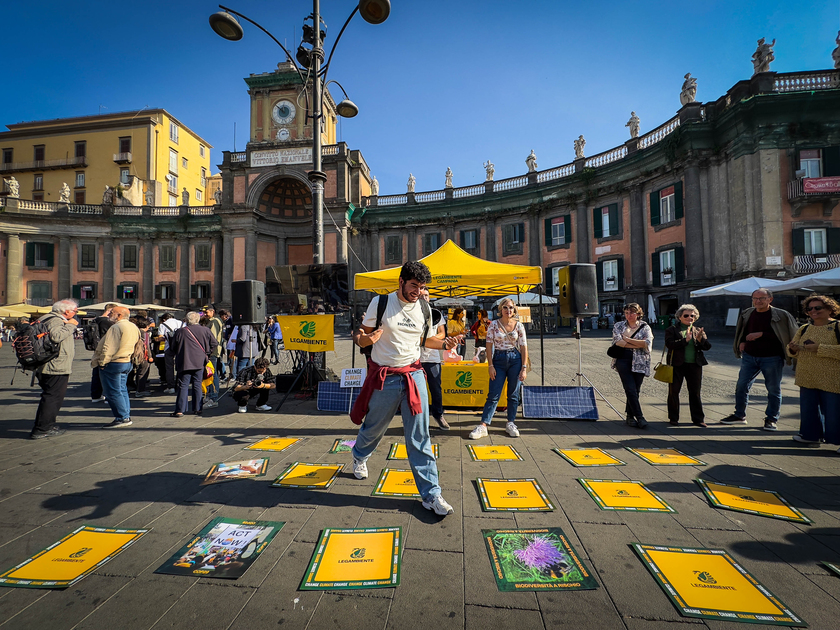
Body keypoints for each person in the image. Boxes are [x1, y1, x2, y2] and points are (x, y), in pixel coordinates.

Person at [350, 261, 461, 517]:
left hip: (413, 375)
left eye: (422, 287)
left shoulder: (424, 307)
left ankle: (431, 495)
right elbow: (360, 334)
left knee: (420, 436)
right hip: (385, 377)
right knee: (374, 427)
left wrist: (444, 344)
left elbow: (424, 340)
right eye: (414, 286)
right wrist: (365, 339)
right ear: (401, 281)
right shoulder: (380, 304)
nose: (419, 292)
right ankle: (359, 455)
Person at [722, 288, 798, 431]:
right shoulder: (747, 313)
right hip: (749, 356)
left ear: (770, 299)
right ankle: (739, 415)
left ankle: (771, 419)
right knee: (741, 386)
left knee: (773, 390)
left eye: (761, 298)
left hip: (772, 357)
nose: (757, 301)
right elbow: (743, 331)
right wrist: (742, 342)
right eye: (755, 298)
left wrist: (762, 334)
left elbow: (787, 335)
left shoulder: (781, 315)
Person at [786, 294, 840, 451]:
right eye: (809, 309)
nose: (813, 311)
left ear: (830, 309)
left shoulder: (837, 327)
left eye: (818, 308)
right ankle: (810, 435)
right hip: (807, 375)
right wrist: (792, 349)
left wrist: (820, 348)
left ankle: (837, 439)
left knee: (834, 411)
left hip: (832, 377)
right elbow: (792, 350)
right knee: (809, 410)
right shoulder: (804, 328)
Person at [470, 298, 528, 439]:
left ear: (514, 310)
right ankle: (483, 425)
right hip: (499, 359)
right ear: (500, 310)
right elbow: (489, 345)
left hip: (515, 359)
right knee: (494, 393)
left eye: (511, 308)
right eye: (505, 308)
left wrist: (524, 368)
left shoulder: (519, 326)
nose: (508, 310)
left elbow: (524, 347)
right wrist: (490, 365)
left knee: (513, 394)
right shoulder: (494, 325)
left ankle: (511, 422)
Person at [29, 299, 79, 439]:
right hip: (55, 366)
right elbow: (56, 337)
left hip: (47, 364)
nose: (76, 314)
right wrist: (71, 326)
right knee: (53, 397)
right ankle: (42, 428)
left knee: (50, 395)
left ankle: (46, 425)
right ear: (66, 311)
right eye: (75, 311)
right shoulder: (56, 320)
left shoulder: (46, 318)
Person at [664, 304, 711, 427]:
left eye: (692, 316)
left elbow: (707, 347)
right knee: (674, 392)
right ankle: (673, 418)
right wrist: (684, 341)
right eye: (686, 315)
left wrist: (701, 340)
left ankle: (698, 419)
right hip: (677, 364)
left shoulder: (697, 330)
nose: (689, 317)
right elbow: (670, 344)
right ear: (680, 317)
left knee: (695, 392)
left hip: (695, 365)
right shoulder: (672, 329)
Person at [95, 306, 140, 429]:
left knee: (113, 392)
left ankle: (122, 417)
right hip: (126, 361)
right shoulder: (133, 326)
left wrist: (102, 363)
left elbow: (108, 347)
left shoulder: (116, 327)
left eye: (112, 312)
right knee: (122, 390)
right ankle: (125, 415)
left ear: (119, 315)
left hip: (114, 362)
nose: (109, 314)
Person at [610, 303, 653, 429]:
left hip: (640, 360)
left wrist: (628, 340)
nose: (629, 315)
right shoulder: (619, 326)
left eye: (632, 313)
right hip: (623, 359)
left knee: (636, 390)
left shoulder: (645, 327)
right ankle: (640, 417)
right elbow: (618, 342)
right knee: (630, 389)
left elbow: (647, 343)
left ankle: (629, 416)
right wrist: (637, 344)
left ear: (638, 314)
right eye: (627, 313)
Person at [170, 311, 218, 417]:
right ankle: (198, 408)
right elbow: (214, 343)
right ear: (198, 320)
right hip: (199, 361)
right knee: (197, 384)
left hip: (184, 361)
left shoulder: (180, 331)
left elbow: (173, 347)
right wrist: (207, 353)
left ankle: (180, 410)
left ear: (187, 320)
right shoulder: (205, 330)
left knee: (183, 385)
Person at [419, 288, 450, 430]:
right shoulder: (411, 313)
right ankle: (418, 418)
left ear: (429, 298)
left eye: (426, 295)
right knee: (416, 391)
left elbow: (442, 333)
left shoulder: (436, 314)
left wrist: (428, 340)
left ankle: (438, 415)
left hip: (432, 358)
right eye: (421, 295)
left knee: (436, 390)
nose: (424, 298)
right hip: (415, 358)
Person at [90, 303, 117, 403]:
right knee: (108, 373)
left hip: (97, 348)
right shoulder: (108, 322)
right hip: (106, 349)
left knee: (96, 372)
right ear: (111, 311)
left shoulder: (96, 320)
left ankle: (96, 395)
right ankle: (107, 395)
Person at [202, 305, 224, 409]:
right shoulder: (210, 321)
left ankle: (213, 398)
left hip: (212, 352)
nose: (205, 314)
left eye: (206, 312)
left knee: (212, 374)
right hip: (211, 352)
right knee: (209, 374)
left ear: (212, 311)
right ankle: (211, 395)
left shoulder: (214, 322)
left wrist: (208, 351)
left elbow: (212, 339)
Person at [159, 312, 183, 394]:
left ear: (164, 319)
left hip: (168, 347)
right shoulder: (181, 323)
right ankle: (181, 384)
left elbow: (161, 337)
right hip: (180, 347)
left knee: (169, 367)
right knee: (181, 365)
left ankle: (171, 386)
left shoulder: (163, 325)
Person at [130, 316, 154, 397]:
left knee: (138, 372)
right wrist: (150, 356)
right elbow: (146, 346)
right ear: (146, 326)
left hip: (135, 355)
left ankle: (138, 388)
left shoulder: (135, 332)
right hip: (144, 356)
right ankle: (140, 390)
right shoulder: (145, 334)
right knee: (143, 372)